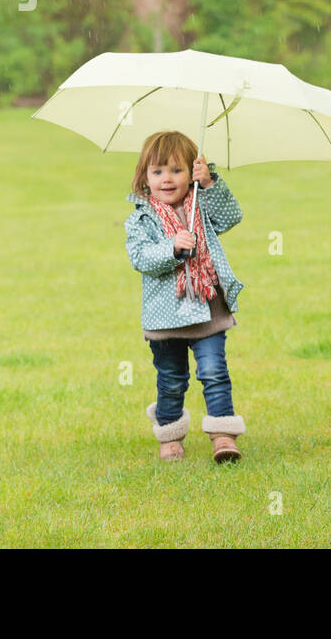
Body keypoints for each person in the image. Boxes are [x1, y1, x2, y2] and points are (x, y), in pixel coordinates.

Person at [124, 131, 247, 462]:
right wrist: (172, 247)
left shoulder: (201, 207)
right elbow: (141, 259)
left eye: (177, 171)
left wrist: (209, 185)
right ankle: (170, 433)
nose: (167, 179)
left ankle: (223, 435)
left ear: (191, 173)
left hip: (207, 308)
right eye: (158, 171)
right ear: (144, 177)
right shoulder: (140, 219)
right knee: (172, 379)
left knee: (213, 370)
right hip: (166, 315)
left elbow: (231, 216)